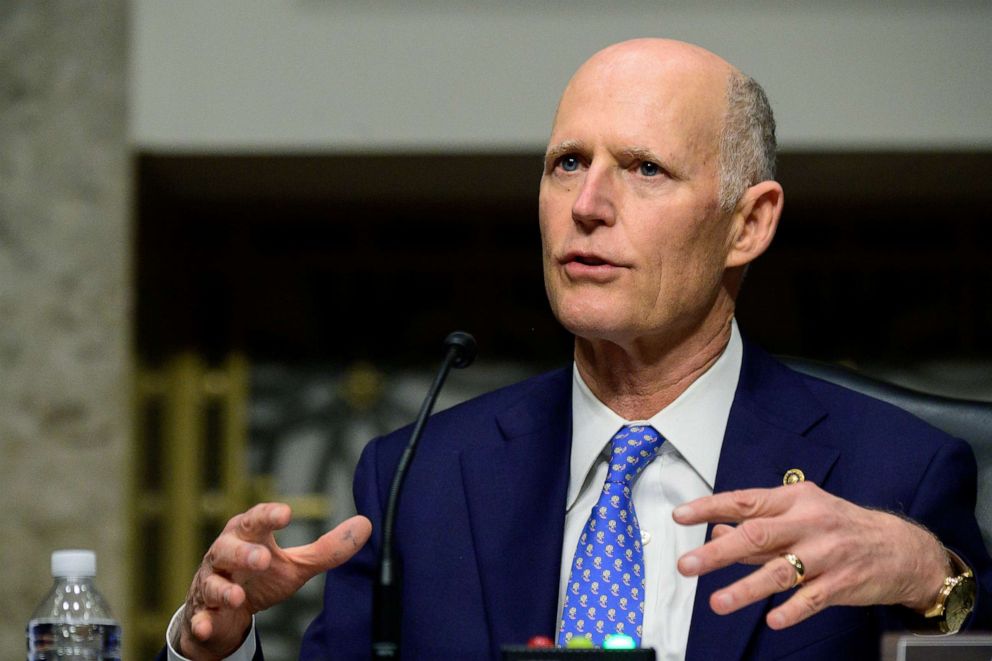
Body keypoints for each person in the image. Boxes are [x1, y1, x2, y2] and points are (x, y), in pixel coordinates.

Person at [162, 39, 991, 661]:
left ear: (750, 222)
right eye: (566, 163)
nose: (587, 204)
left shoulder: (897, 471)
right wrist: (217, 643)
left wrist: (932, 576)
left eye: (644, 169)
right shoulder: (420, 476)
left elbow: (966, 616)